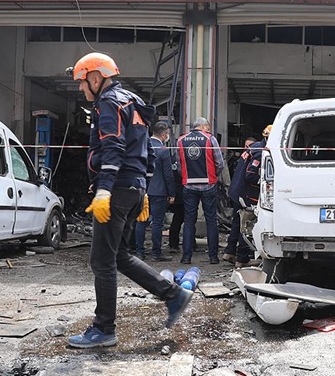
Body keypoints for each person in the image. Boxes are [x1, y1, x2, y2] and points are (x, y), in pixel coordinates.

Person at [66, 52, 192, 348]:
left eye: (83, 83)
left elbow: (113, 147)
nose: (82, 90)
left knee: (102, 261)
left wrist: (104, 190)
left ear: (96, 78)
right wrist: (143, 189)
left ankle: (104, 329)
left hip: (118, 190)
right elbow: (147, 149)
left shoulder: (108, 103)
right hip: (133, 189)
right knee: (120, 255)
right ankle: (174, 295)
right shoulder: (133, 102)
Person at [177, 117, 225, 265]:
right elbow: (220, 163)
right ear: (203, 126)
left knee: (189, 221)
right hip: (208, 184)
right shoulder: (210, 139)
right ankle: (213, 257)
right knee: (211, 220)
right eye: (208, 128)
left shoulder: (181, 140)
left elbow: (179, 165)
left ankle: (186, 257)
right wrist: (213, 176)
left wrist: (186, 176)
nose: (209, 130)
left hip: (189, 185)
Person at [223, 129, 268, 267]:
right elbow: (250, 175)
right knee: (247, 224)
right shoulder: (261, 152)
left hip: (238, 191)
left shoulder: (254, 147)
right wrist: (266, 181)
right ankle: (242, 259)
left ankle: (230, 251)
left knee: (237, 222)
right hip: (247, 194)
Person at [145, 121, 176, 262]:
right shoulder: (163, 150)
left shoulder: (143, 146)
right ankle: (156, 253)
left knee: (140, 221)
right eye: (167, 134)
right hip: (159, 191)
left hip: (143, 188)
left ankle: (137, 250)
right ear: (164, 134)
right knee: (157, 223)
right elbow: (168, 175)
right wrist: (172, 193)